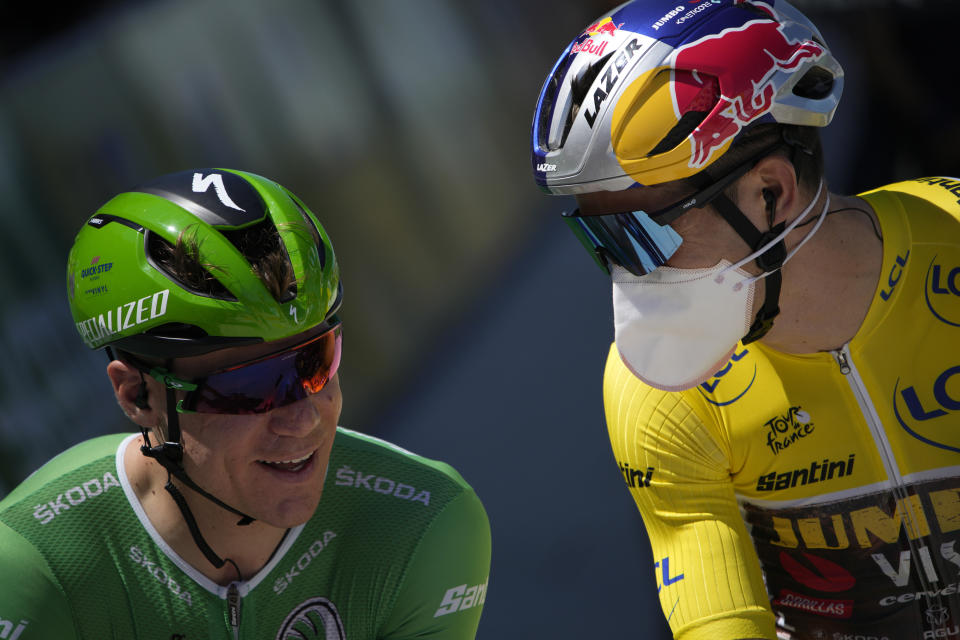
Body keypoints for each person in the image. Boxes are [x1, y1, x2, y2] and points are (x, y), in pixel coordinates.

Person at [531, 1, 960, 639]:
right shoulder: (655, 393)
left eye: (641, 236)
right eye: (601, 244)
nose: (628, 276)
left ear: (772, 192)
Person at [0, 168, 491, 638]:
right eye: (250, 386)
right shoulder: (33, 564)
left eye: (315, 362)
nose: (302, 416)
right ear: (138, 395)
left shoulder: (423, 523)